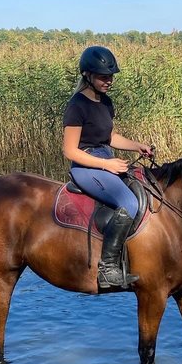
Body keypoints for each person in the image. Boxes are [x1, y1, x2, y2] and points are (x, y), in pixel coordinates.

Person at [62, 46, 153, 289]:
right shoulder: (77, 106)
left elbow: (109, 136)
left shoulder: (105, 102)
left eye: (111, 76)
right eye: (103, 76)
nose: (109, 81)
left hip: (105, 160)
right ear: (87, 75)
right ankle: (108, 268)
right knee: (130, 203)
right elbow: (70, 150)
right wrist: (107, 164)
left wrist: (137, 146)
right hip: (86, 166)